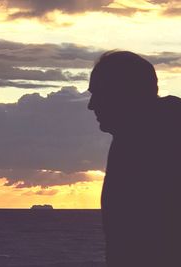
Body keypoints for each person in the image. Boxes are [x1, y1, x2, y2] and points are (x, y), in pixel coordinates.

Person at [88, 51, 181, 267]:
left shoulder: (153, 140)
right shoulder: (131, 136)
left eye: (99, 94)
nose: (91, 105)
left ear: (124, 94)